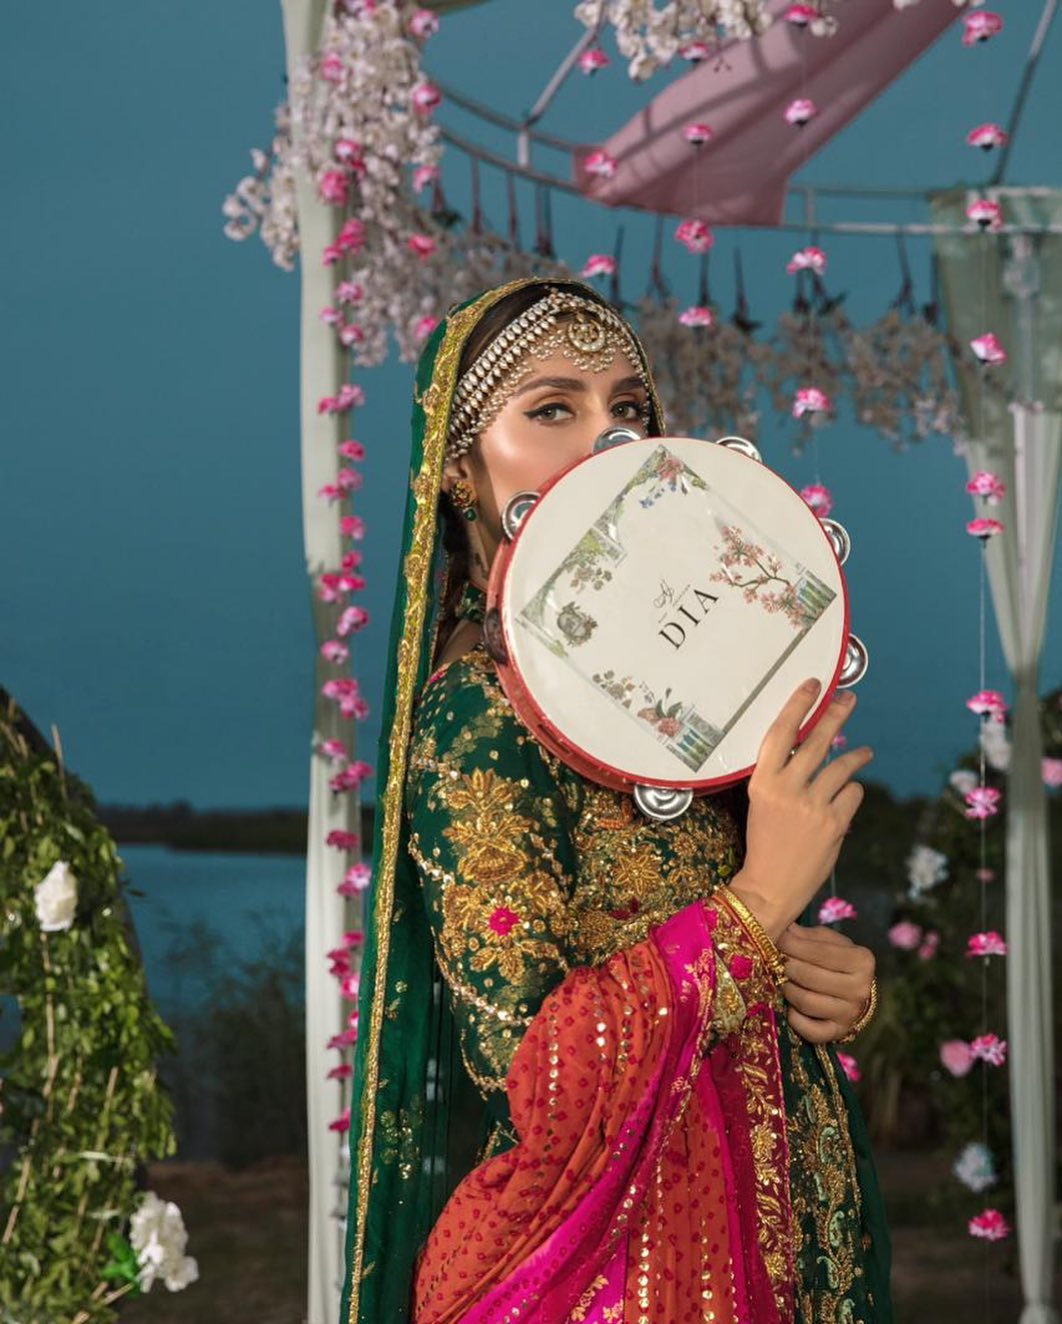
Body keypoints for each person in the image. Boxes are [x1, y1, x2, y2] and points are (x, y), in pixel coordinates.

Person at [339, 277, 891, 1324]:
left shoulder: (663, 689)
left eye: (627, 410)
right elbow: (538, 1075)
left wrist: (825, 979)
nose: (606, 441)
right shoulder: (482, 719)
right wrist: (758, 906)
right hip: (612, 1270)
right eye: (553, 410)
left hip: (758, 1229)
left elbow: (737, 924)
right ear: (462, 466)